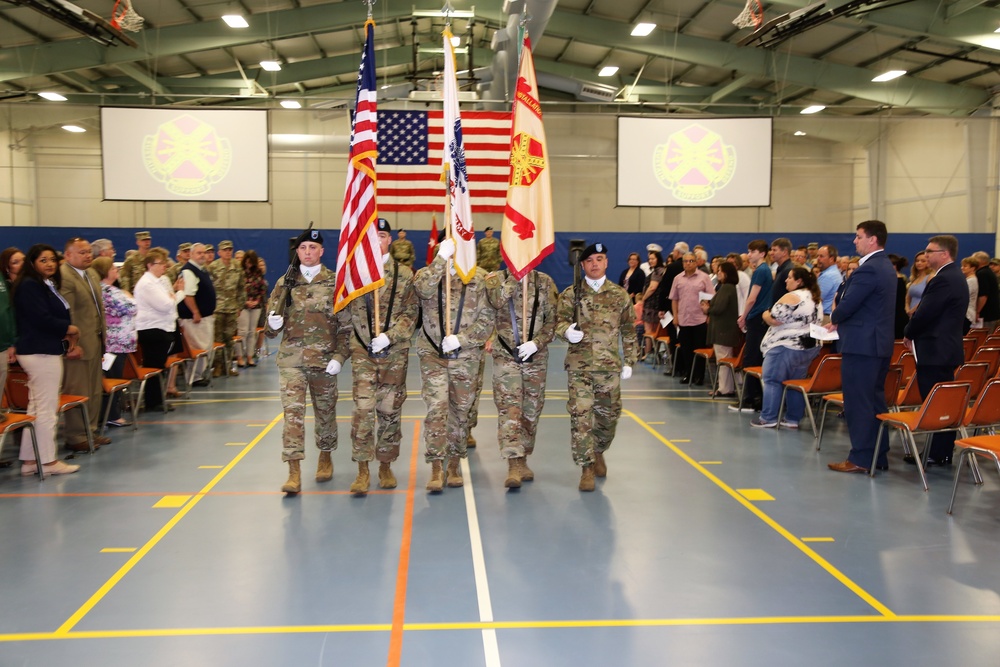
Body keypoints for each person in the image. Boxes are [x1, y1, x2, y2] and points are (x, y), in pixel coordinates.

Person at [265, 227, 350, 495]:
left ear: (322, 251)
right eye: (303, 248)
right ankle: (294, 471)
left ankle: (325, 455)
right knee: (293, 415)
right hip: (292, 361)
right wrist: (271, 324)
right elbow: (270, 330)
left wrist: (339, 357)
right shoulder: (284, 283)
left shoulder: (335, 283)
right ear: (297, 252)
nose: (308, 252)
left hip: (324, 362)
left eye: (313, 248)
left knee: (325, 413)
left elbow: (346, 328)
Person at [413, 237, 493, 492]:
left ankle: (454, 463)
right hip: (433, 352)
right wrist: (440, 261)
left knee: (460, 411)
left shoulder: (479, 278)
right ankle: (436, 464)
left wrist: (462, 339)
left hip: (466, 354)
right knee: (436, 408)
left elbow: (487, 319)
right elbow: (423, 291)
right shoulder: (426, 274)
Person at [555, 242, 638, 491]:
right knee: (581, 417)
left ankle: (599, 449)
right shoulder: (571, 294)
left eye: (599, 259)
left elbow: (629, 330)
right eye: (590, 260)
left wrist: (630, 360)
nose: (595, 264)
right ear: (582, 265)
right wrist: (566, 332)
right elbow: (558, 323)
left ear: (606, 263)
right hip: (579, 367)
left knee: (608, 417)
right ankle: (586, 467)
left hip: (608, 366)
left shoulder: (619, 295)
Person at [343, 218, 417, 495]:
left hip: (394, 352)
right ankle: (362, 468)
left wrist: (391, 335)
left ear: (390, 241)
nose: (378, 240)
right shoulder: (354, 274)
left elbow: (411, 314)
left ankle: (385, 463)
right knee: (362, 410)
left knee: (389, 409)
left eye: (383, 235)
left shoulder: (405, 274)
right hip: (362, 350)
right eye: (373, 236)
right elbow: (343, 312)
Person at [827, 220, 897, 474]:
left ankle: (861, 458)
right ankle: (878, 454)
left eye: (858, 237)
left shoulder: (869, 269)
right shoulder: (885, 266)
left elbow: (849, 304)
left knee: (858, 403)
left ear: (873, 240)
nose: (855, 241)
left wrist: (834, 317)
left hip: (862, 346)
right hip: (876, 345)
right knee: (874, 402)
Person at [485, 266, 558, 488]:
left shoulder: (545, 282)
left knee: (531, 410)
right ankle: (513, 462)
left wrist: (537, 343)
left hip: (535, 356)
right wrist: (513, 279)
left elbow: (553, 320)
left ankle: (524, 456)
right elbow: (494, 304)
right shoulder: (494, 279)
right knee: (510, 409)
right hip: (506, 355)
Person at [12, 244, 81, 475]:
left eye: (52, 259)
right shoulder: (31, 285)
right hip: (39, 351)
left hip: (41, 349)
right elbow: (41, 318)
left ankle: (31, 461)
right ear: (33, 263)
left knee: (36, 405)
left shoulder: (44, 284)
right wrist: (68, 327)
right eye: (43, 260)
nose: (50, 264)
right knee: (47, 408)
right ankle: (48, 461)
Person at [902, 235, 967, 466]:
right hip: (944, 347)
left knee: (935, 403)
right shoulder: (954, 276)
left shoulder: (944, 279)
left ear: (945, 253)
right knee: (942, 403)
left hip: (935, 349)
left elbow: (926, 313)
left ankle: (937, 453)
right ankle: (941, 451)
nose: (926, 254)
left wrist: (908, 332)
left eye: (930, 251)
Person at [751, 267, 822, 429]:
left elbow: (774, 319)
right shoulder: (815, 297)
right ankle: (792, 419)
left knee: (772, 380)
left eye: (789, 277)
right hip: (808, 347)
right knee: (794, 383)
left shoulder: (793, 296)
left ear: (799, 281)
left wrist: (764, 314)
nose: (785, 280)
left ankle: (768, 418)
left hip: (786, 346)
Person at [59, 237, 110, 451]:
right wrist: (71, 344)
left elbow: (98, 309)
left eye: (89, 251)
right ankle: (76, 436)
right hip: (78, 344)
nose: (88, 255)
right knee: (78, 389)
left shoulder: (92, 273)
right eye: (82, 252)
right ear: (68, 255)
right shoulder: (64, 277)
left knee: (94, 390)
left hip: (95, 340)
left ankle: (91, 430)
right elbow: (65, 314)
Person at [134, 250, 185, 412]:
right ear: (149, 265)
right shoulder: (147, 283)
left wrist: (173, 297)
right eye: (160, 263)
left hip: (161, 327)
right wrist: (180, 293)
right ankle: (153, 401)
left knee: (157, 366)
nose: (164, 266)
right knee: (154, 366)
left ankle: (156, 399)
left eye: (164, 263)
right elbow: (165, 305)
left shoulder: (158, 281)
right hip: (152, 329)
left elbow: (169, 300)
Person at [91, 257, 137, 426]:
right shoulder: (109, 291)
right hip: (115, 343)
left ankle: (109, 414)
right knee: (113, 378)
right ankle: (112, 415)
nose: (116, 270)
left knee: (111, 377)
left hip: (115, 342)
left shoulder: (107, 290)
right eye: (112, 268)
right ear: (104, 272)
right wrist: (129, 296)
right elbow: (131, 308)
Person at [732, 240, 774, 413]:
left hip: (756, 318)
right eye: (748, 251)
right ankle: (756, 397)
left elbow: (752, 298)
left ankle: (751, 399)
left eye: (753, 251)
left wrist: (744, 316)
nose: (749, 254)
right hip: (760, 319)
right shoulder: (766, 271)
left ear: (762, 253)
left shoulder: (760, 271)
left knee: (751, 358)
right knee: (756, 358)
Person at [670, 252, 714, 385]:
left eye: (691, 261)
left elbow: (711, 297)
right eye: (685, 261)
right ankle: (688, 374)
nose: (688, 263)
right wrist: (675, 316)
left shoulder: (704, 277)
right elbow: (674, 299)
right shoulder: (678, 278)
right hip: (683, 319)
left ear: (696, 262)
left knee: (699, 349)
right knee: (686, 350)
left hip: (699, 319)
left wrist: (708, 315)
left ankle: (699, 376)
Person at [177, 243, 216, 386]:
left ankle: (198, 375)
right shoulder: (188, 271)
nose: (202, 255)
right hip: (194, 319)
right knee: (198, 347)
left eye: (204, 253)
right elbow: (187, 295)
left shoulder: (202, 270)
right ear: (191, 255)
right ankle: (193, 377)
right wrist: (195, 312)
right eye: (198, 253)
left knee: (205, 347)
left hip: (206, 316)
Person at [703, 261, 741, 398]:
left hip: (723, 330)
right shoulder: (728, 287)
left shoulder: (726, 288)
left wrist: (708, 309)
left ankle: (724, 388)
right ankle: (727, 387)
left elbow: (719, 308)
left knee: (723, 359)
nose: (718, 273)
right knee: (725, 358)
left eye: (720, 271)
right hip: (724, 329)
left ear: (726, 273)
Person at [209, 240, 246, 377]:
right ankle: (217, 366)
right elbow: (209, 289)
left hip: (232, 308)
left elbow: (241, 288)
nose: (228, 252)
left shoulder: (237, 266)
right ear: (219, 252)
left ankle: (228, 365)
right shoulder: (213, 267)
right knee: (217, 339)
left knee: (229, 339)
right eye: (225, 250)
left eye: (230, 249)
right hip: (217, 309)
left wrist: (240, 306)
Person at [237, 250, 266, 367]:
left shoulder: (258, 273)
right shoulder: (239, 273)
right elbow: (237, 290)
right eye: (247, 262)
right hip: (243, 305)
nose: (249, 264)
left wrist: (256, 301)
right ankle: (239, 357)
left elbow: (262, 289)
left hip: (256, 306)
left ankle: (249, 356)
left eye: (251, 262)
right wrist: (245, 302)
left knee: (251, 332)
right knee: (242, 332)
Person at [639, 250, 665, 359]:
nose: (650, 261)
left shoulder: (657, 271)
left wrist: (643, 299)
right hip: (657, 305)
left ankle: (647, 354)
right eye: (649, 259)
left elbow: (652, 287)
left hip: (652, 305)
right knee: (654, 331)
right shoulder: (662, 270)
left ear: (658, 259)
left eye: (653, 258)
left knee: (649, 331)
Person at [973, 250, 1000, 331]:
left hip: (987, 314)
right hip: (993, 313)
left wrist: (977, 311)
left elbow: (983, 295)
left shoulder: (982, 274)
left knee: (983, 338)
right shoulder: (989, 272)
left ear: (979, 261)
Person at [814, 245, 840, 323]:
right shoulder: (834, 273)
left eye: (821, 256)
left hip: (824, 317)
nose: (818, 259)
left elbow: (816, 299)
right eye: (817, 256)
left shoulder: (828, 276)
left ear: (831, 259)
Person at [905, 250, 934, 316]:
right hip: (911, 314)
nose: (919, 263)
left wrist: (914, 309)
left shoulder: (930, 277)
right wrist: (907, 309)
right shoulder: (914, 278)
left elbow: (928, 298)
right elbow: (908, 297)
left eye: (923, 261)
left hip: (923, 313)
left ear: (928, 262)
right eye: (917, 261)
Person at [888, 254, 909, 339]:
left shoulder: (896, 281)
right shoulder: (900, 280)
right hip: (896, 317)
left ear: (894, 266)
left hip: (896, 318)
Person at [961, 257, 979, 332]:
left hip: (967, 313)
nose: (962, 268)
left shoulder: (971, 281)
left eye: (965, 266)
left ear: (972, 268)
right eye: (962, 266)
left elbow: (962, 296)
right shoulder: (969, 279)